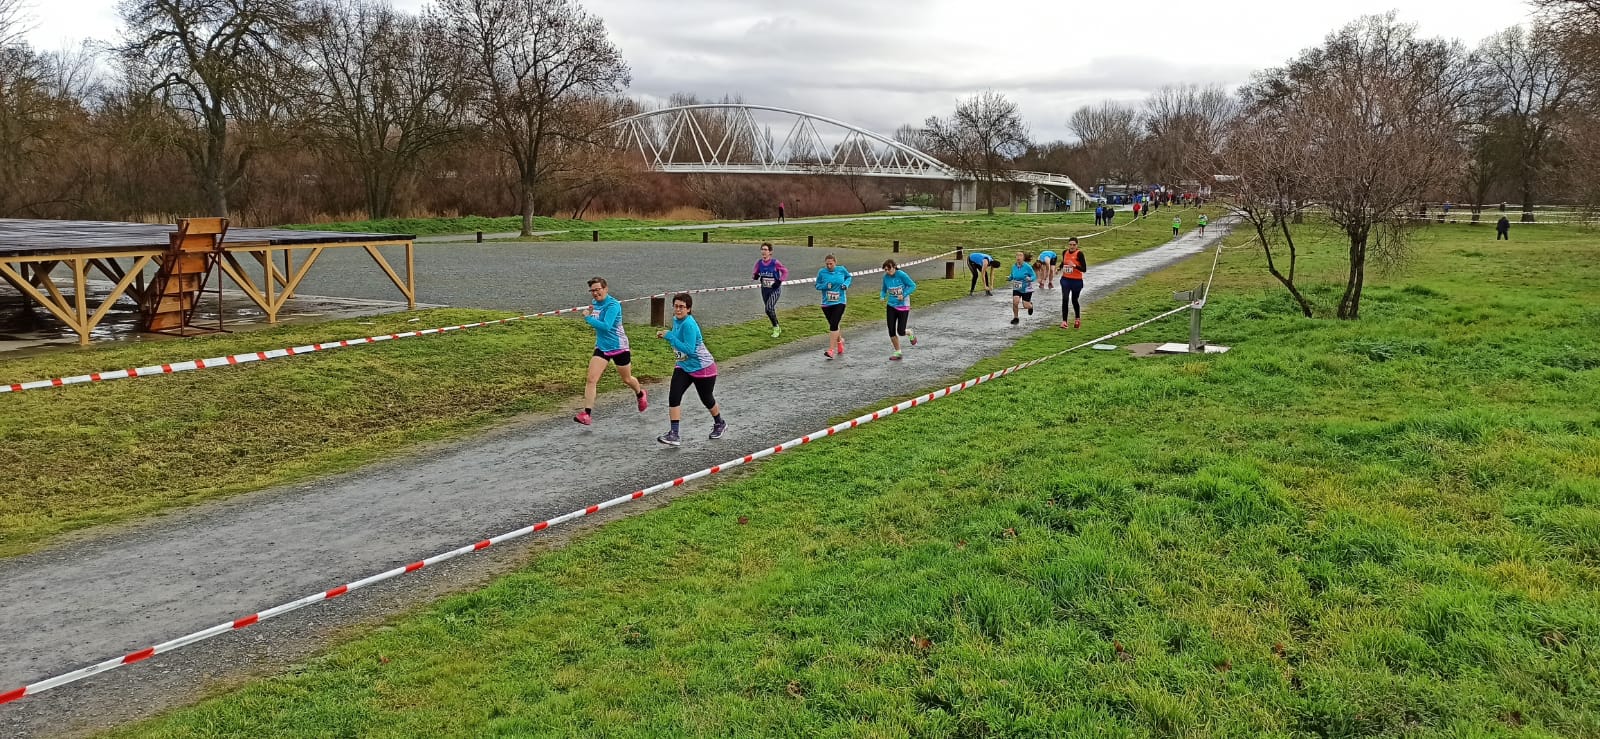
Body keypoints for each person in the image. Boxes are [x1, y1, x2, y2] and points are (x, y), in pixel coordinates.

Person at [655, 293, 725, 446]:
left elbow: (689, 349)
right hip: (684, 365)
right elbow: (678, 339)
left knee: (707, 399)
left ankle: (719, 423)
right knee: (674, 396)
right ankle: (674, 434)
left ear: (688, 309)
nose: (678, 310)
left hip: (703, 368)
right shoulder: (676, 320)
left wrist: (670, 336)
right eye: (676, 306)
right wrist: (667, 335)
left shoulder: (689, 324)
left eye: (682, 307)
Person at [576, 277, 647, 426]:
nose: (595, 293)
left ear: (605, 289)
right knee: (591, 379)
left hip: (619, 347)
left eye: (598, 290)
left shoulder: (613, 305)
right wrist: (591, 312)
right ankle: (586, 414)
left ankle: (640, 394)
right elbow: (597, 316)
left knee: (627, 379)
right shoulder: (595, 303)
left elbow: (606, 326)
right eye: (592, 291)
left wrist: (588, 318)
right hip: (602, 347)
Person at [879, 259, 918, 360]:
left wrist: (904, 294)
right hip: (891, 305)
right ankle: (898, 352)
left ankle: (909, 332)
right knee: (891, 330)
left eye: (889, 269)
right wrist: (882, 296)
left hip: (903, 306)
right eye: (885, 270)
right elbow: (883, 289)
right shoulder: (886, 277)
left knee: (900, 331)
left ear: (894, 267)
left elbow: (913, 286)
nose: (888, 272)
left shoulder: (901, 275)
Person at [815, 253, 852, 359]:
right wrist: (825, 286)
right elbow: (817, 285)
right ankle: (840, 342)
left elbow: (849, 277)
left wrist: (845, 285)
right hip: (826, 303)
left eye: (831, 264)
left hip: (840, 301)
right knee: (833, 325)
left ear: (835, 262)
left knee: (834, 324)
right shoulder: (822, 272)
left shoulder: (841, 270)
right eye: (827, 264)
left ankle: (831, 350)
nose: (829, 266)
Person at [753, 242, 789, 338]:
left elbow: (785, 271)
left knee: (768, 308)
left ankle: (776, 328)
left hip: (774, 289)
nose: (763, 251)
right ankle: (777, 326)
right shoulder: (759, 263)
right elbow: (755, 273)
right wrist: (756, 276)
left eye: (765, 250)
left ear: (770, 252)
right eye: (762, 249)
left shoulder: (775, 262)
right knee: (769, 310)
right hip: (765, 289)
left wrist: (779, 281)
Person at [1059, 238, 1087, 329]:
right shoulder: (1065, 252)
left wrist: (1074, 266)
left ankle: (1077, 319)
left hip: (1076, 281)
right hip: (1065, 280)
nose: (1072, 246)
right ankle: (1064, 322)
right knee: (1065, 299)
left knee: (1074, 300)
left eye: (1074, 245)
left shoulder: (1079, 254)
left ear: (1077, 245)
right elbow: (1064, 262)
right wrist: (1059, 268)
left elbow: (1084, 269)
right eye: (1070, 244)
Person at [1008, 250, 1037, 325]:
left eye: (1020, 255)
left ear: (1023, 258)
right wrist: (1009, 278)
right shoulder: (1014, 266)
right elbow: (1012, 275)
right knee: (1015, 301)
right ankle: (1016, 318)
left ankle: (1030, 306)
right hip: (1017, 287)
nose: (1018, 257)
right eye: (1017, 255)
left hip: (1026, 288)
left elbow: (1034, 276)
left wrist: (1030, 279)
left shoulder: (1027, 267)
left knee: (1026, 305)